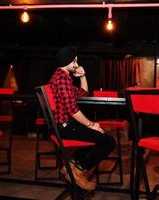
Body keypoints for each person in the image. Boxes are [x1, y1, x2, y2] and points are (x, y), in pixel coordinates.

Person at [49, 46, 116, 190]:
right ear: (68, 62)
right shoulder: (61, 79)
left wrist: (83, 75)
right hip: (65, 127)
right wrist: (91, 124)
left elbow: (84, 93)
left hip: (67, 125)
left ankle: (72, 166)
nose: (77, 64)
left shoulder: (63, 77)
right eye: (74, 61)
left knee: (99, 137)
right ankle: (78, 171)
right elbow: (72, 110)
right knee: (108, 142)